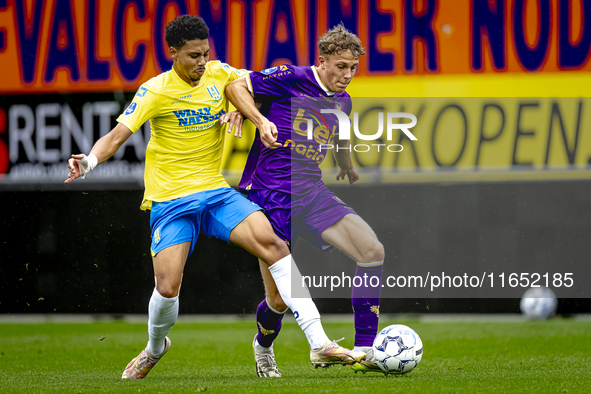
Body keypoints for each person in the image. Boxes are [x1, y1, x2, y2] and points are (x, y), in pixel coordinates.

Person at [64, 15, 365, 380]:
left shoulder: (220, 73)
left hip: (215, 193)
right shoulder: (154, 90)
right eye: (193, 56)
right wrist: (90, 161)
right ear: (173, 53)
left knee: (274, 245)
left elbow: (249, 87)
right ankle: (156, 347)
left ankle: (319, 342)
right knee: (167, 287)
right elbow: (115, 137)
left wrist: (244, 109)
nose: (202, 62)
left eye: (206, 54)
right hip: (171, 200)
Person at [225, 23, 385, 377]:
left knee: (372, 251)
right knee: (279, 300)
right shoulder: (291, 76)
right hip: (269, 195)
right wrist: (259, 118)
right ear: (323, 60)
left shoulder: (343, 100)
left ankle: (365, 350)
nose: (347, 75)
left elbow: (340, 135)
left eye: (353, 68)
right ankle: (263, 346)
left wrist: (346, 164)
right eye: (341, 66)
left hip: (311, 191)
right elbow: (236, 86)